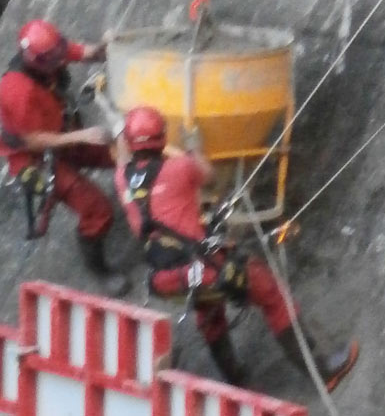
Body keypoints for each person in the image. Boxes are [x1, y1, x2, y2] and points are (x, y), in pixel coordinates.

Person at [113, 106, 358, 389]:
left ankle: (237, 381)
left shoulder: (122, 180)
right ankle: (323, 370)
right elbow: (209, 176)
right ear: (162, 138)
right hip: (202, 270)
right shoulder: (180, 168)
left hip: (166, 280)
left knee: (209, 307)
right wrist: (192, 147)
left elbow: (123, 158)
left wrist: (122, 132)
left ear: (130, 143)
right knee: (271, 294)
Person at [0, 19, 129, 297]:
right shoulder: (17, 91)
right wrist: (81, 137)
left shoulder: (48, 54)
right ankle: (99, 270)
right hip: (39, 158)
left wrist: (107, 46)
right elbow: (33, 140)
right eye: (54, 58)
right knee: (97, 209)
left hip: (64, 133)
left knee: (124, 149)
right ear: (37, 61)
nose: (60, 60)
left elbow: (85, 52)